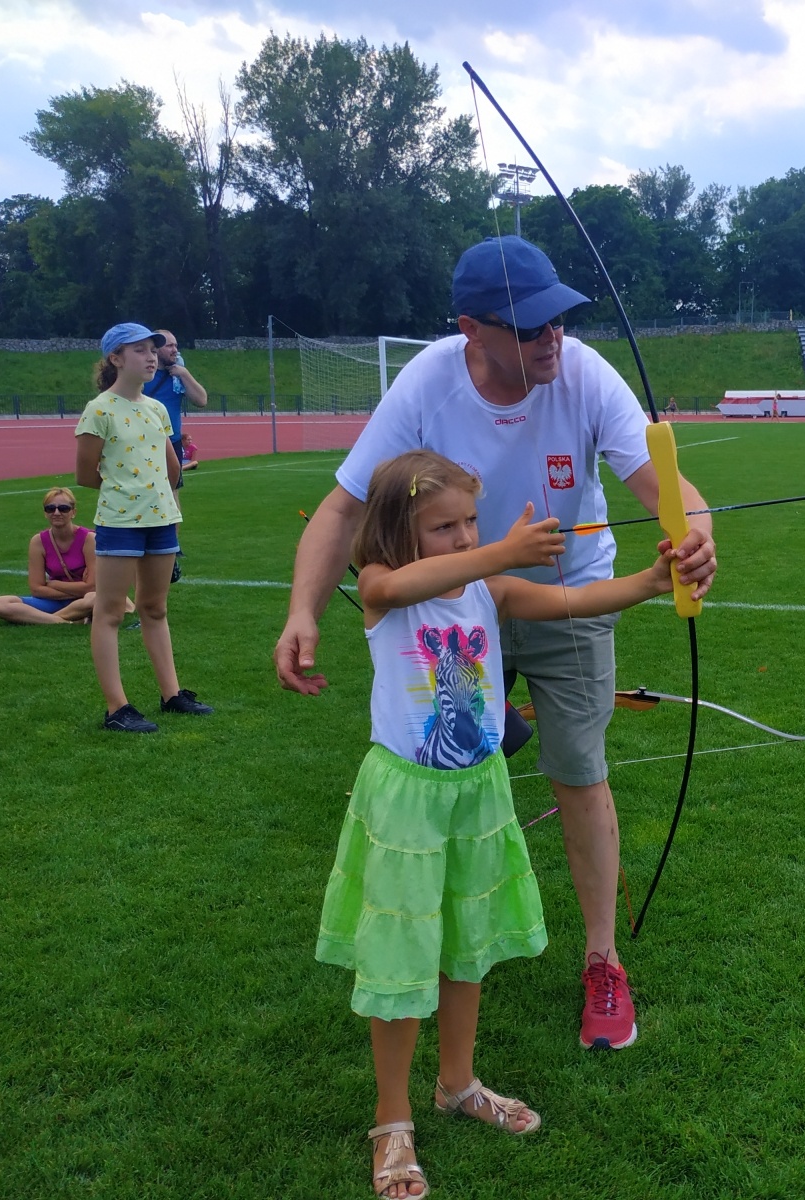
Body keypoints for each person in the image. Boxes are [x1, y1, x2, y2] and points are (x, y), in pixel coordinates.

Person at [277, 236, 718, 1051]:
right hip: (449, 604)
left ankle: (602, 959)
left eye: (557, 320)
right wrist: (302, 610)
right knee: (442, 764)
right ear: (470, 330)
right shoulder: (429, 379)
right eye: (528, 328)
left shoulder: (583, 372)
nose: (552, 338)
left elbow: (666, 486)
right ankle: (444, 930)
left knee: (579, 771)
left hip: (568, 592)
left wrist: (694, 536)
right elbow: (342, 508)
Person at [319, 450, 674, 1199]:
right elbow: (397, 580)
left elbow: (571, 604)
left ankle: (458, 1083)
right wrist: (496, 550)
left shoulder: (488, 587)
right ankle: (392, 1121)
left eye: (469, 521)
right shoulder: (386, 591)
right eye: (443, 525)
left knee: (466, 944)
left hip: (478, 794)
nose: (462, 537)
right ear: (395, 531)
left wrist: (649, 582)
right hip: (407, 801)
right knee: (401, 955)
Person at [76, 322, 213, 733]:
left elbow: (172, 470)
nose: (151, 356)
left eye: (153, 350)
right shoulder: (98, 409)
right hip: (120, 522)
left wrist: (158, 497)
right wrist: (128, 492)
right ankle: (116, 708)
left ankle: (171, 695)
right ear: (115, 358)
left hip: (162, 521)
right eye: (139, 350)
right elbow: (85, 474)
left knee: (155, 608)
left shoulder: (156, 410)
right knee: (111, 611)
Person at [0, 486, 101, 625]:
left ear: (73, 512)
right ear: (45, 513)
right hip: (53, 600)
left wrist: (54, 584)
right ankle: (65, 621)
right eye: (50, 508)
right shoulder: (38, 541)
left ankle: (41, 619)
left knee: (94, 598)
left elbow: (91, 587)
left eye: (63, 508)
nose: (56, 513)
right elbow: (36, 589)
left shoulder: (89, 539)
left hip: (84, 599)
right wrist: (76, 589)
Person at [143, 328, 208, 471]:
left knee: (173, 491)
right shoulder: (143, 375)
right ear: (156, 348)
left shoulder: (178, 376)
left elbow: (201, 400)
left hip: (172, 442)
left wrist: (184, 373)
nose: (175, 350)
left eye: (176, 345)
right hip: (144, 442)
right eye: (169, 346)